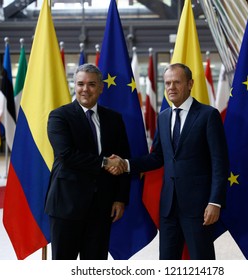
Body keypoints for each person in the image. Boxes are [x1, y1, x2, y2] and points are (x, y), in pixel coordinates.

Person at [109, 63, 229, 260]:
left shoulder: (208, 115)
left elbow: (220, 162)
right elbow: (157, 157)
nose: (171, 87)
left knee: (202, 260)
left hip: (199, 206)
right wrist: (126, 164)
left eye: (176, 82)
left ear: (190, 84)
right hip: (168, 207)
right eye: (167, 83)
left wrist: (215, 202)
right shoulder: (163, 117)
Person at [44, 63, 130, 260]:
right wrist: (105, 163)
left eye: (91, 84)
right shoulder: (59, 116)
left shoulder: (114, 119)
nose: (85, 89)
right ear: (74, 86)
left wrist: (120, 198)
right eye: (80, 84)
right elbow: (66, 155)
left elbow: (124, 159)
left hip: (102, 207)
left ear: (101, 87)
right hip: (66, 206)